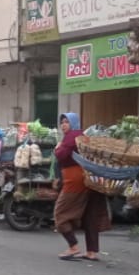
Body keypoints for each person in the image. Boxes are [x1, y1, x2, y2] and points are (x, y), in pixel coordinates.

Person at [53, 112, 111, 262]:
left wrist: (57, 147)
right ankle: (91, 252)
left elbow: (60, 155)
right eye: (62, 122)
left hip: (75, 181)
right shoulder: (82, 135)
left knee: (60, 214)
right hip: (89, 180)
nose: (63, 125)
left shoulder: (72, 136)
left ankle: (73, 246)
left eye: (66, 122)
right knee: (89, 216)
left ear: (73, 123)